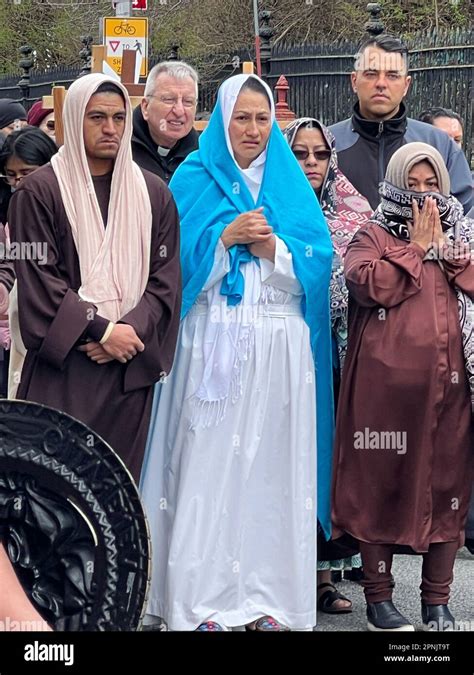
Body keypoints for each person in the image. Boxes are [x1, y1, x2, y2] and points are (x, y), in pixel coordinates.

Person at [140, 74, 333, 631]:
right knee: (206, 470)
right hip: (210, 346)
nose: (252, 129)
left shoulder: (291, 182)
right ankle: (200, 602)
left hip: (278, 348)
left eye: (261, 118)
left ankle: (270, 601)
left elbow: (319, 268)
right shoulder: (192, 179)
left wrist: (274, 247)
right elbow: (165, 271)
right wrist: (223, 240)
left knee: (272, 475)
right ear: (222, 120)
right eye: (241, 118)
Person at [8, 74, 181, 481]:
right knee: (52, 496)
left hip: (126, 373)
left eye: (120, 118)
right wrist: (102, 332)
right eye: (97, 117)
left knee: (113, 502)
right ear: (72, 120)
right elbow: (38, 280)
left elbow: (165, 280)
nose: (110, 129)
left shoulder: (154, 193)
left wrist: (127, 332)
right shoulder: (38, 192)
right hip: (65, 371)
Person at [332, 142, 473, 632]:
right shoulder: (371, 233)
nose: (421, 195)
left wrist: (444, 254)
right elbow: (364, 283)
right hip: (382, 394)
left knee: (447, 487)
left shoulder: (463, 234)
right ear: (393, 184)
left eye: (430, 184)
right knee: (379, 486)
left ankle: (437, 600)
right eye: (410, 185)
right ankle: (379, 600)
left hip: (451, 394)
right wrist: (414, 250)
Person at [284, 117, 373, 613]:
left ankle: (324, 577)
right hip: (286, 353)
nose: (312, 163)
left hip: (341, 356)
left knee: (330, 464)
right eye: (301, 154)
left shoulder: (354, 211)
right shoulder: (271, 207)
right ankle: (281, 573)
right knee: (289, 459)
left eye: (320, 154)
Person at [330, 34, 473, 214]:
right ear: (354, 81)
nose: (381, 83)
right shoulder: (326, 146)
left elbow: (466, 214)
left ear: (406, 85)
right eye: (371, 74)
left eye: (392, 75)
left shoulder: (439, 144)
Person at [0, 127, 58, 398]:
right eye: (11, 176)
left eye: (27, 173)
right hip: (22, 311)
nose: (18, 183)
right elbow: (14, 255)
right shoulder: (13, 206)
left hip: (56, 314)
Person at [132, 61, 199, 183]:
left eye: (188, 102)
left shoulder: (202, 156)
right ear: (145, 107)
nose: (179, 111)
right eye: (169, 100)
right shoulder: (119, 149)